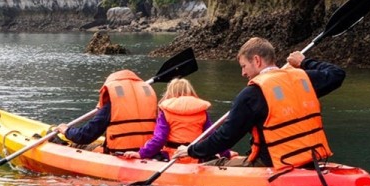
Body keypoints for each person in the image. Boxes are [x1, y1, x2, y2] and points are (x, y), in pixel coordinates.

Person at [176, 37, 344, 170]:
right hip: (309, 160)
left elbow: (225, 138)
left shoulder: (252, 94)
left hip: (272, 164)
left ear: (256, 60)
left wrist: (191, 151)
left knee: (204, 168)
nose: (243, 73)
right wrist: (304, 62)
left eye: (244, 66)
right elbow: (337, 74)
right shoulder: (303, 79)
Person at [122, 77, 231, 161]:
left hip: (174, 157)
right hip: (197, 156)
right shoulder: (201, 111)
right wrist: (226, 153)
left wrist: (141, 153)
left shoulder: (166, 111)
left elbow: (159, 139)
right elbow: (212, 135)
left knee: (155, 155)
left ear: (170, 92)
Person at [56, 69, 157, 153]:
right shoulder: (152, 104)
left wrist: (66, 130)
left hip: (120, 154)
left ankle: (56, 141)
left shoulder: (111, 106)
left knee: (78, 144)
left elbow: (85, 136)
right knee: (98, 144)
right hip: (147, 152)